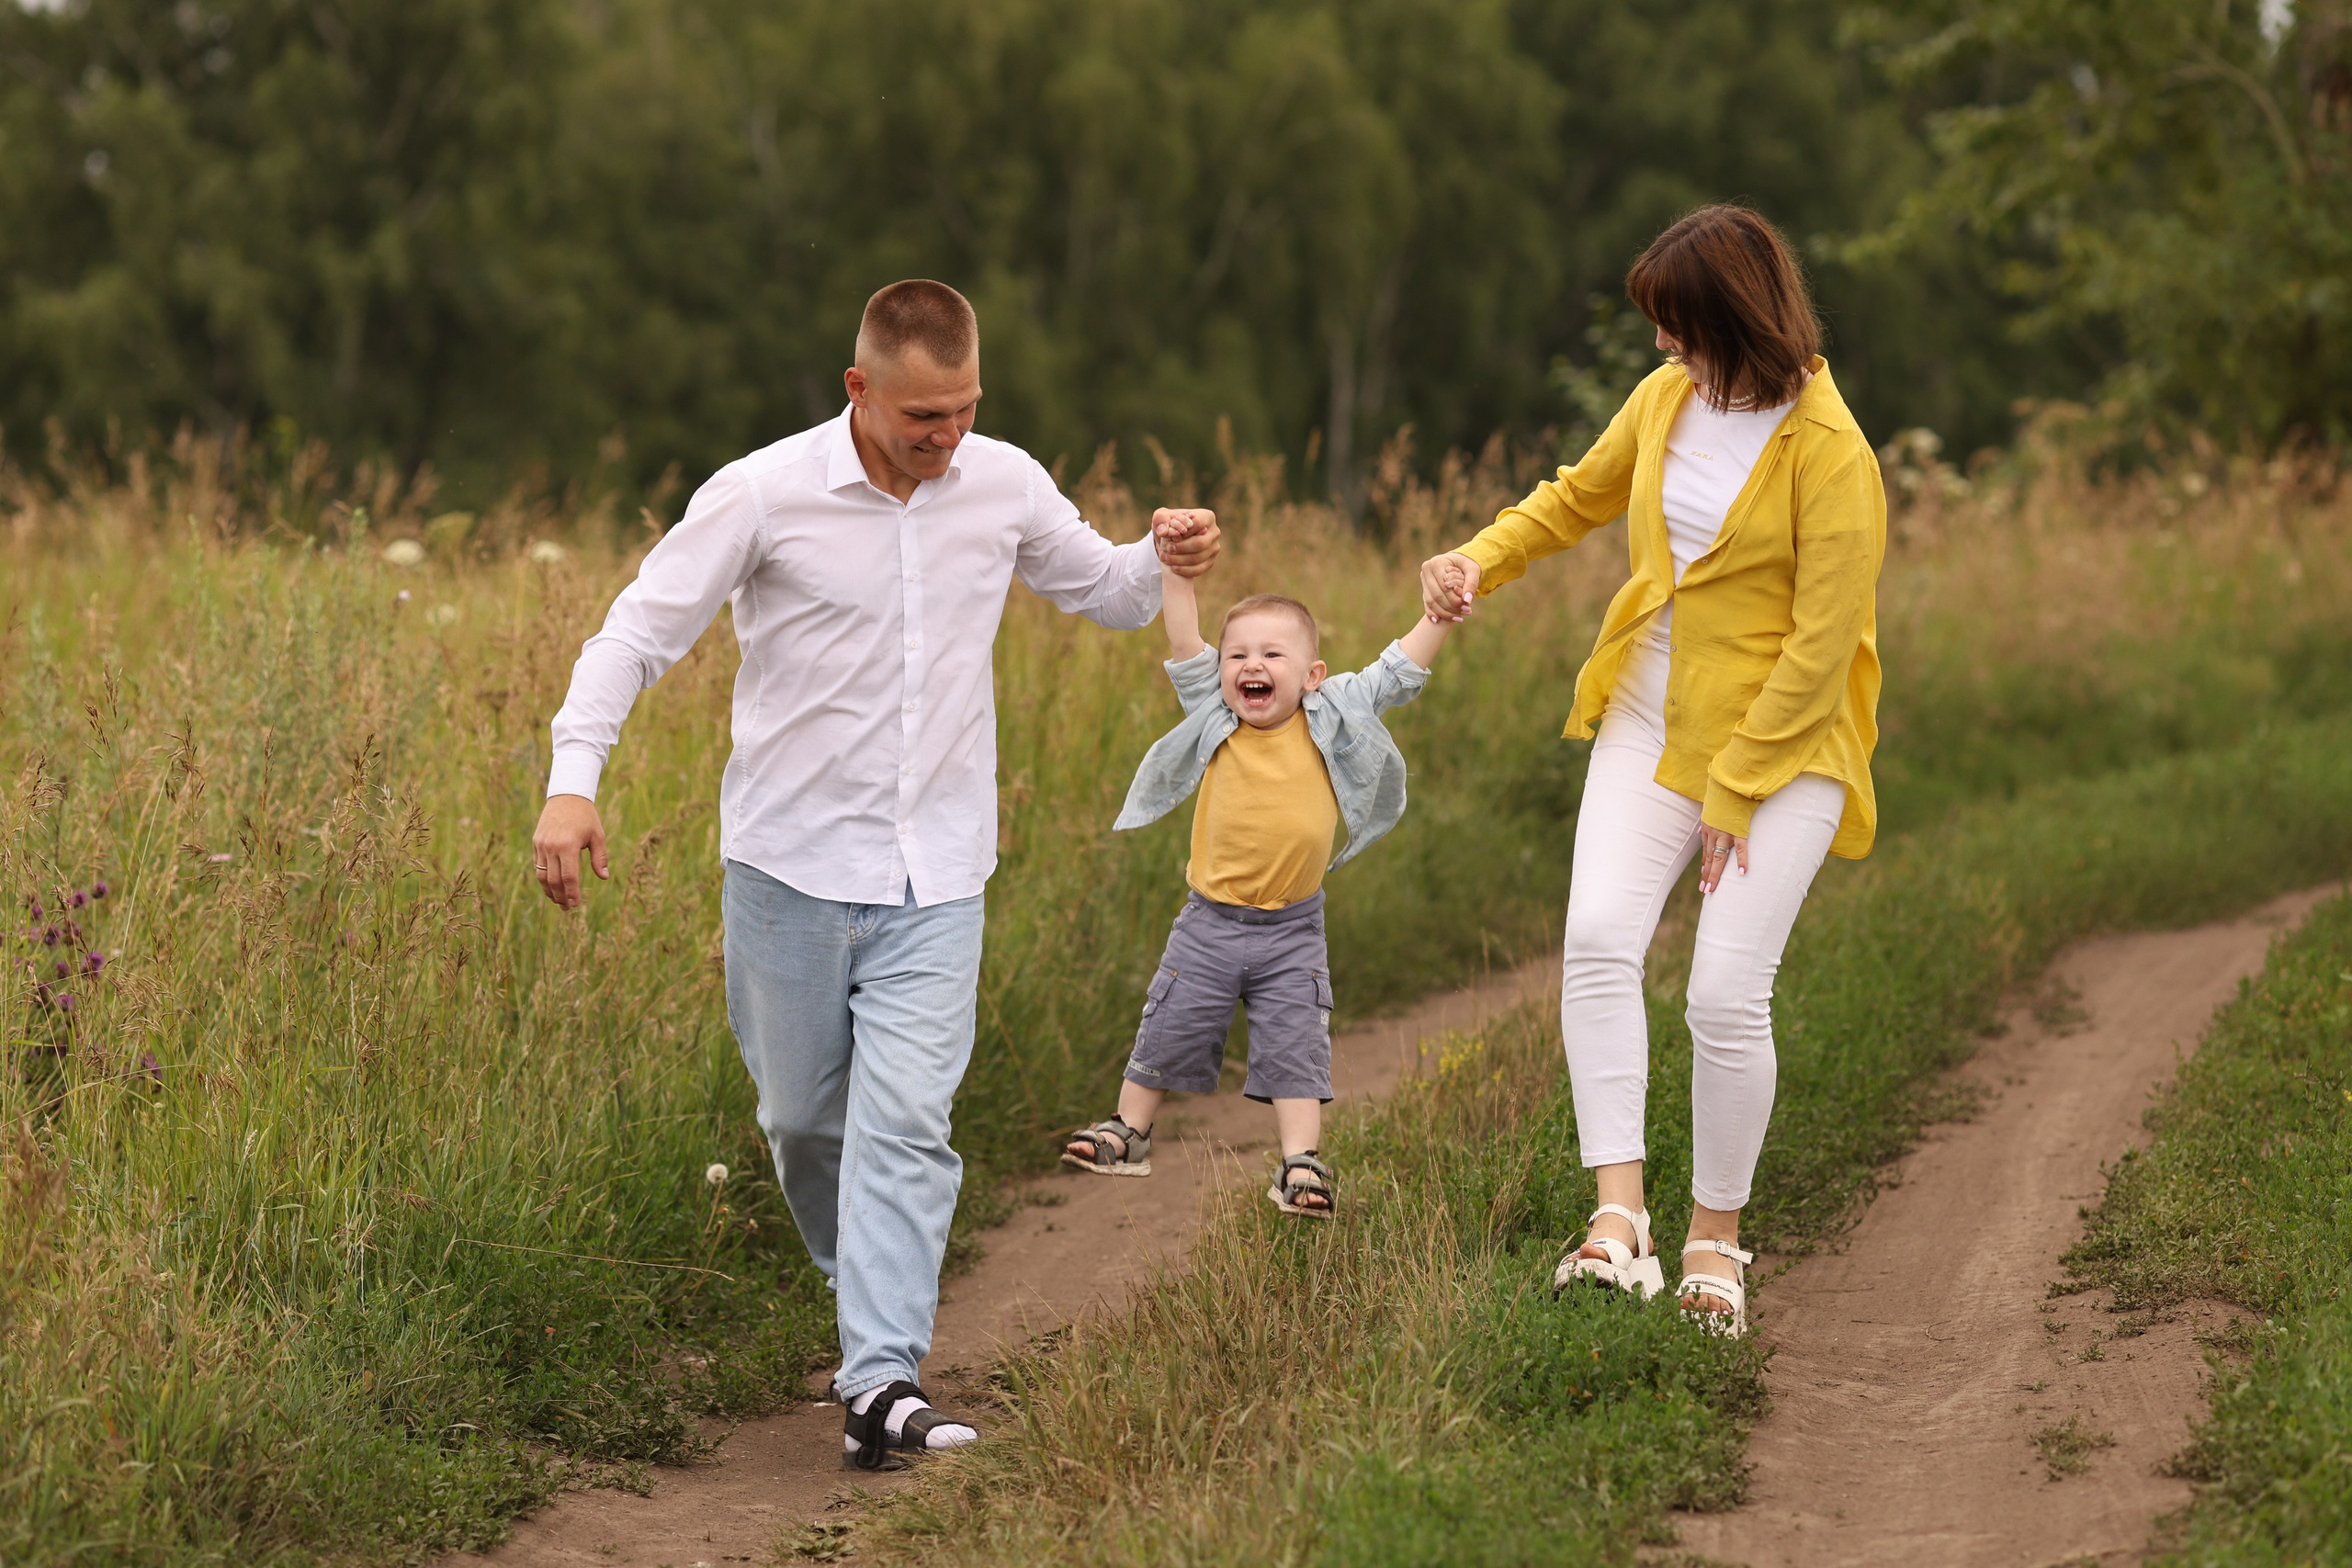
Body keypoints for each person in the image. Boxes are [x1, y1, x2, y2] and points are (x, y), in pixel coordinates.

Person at [530, 279, 1222, 1468]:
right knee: (802, 1119)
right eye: (921, 418)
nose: (945, 436)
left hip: (939, 874)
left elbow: (1100, 590)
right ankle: (871, 1304)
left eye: (961, 410)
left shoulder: (999, 480)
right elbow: (634, 634)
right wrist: (572, 776)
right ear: (859, 390)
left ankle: (881, 1376)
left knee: (905, 1122)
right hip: (789, 867)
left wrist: (1165, 554)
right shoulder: (762, 493)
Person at [1419, 205, 1884, 1337]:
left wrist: (1734, 793)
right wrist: (1476, 559)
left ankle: (1714, 1243)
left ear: (1738, 319)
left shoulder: (1832, 456)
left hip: (1785, 749)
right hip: (1648, 716)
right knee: (1595, 943)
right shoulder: (1666, 400)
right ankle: (1615, 1222)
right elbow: (1576, 494)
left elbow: (1822, 649)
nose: (1663, 347)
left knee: (1725, 993)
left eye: (1680, 326)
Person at [1057, 517, 1453, 1218]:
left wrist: (1437, 616)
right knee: (1169, 1022)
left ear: (1312, 674)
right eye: (1237, 654)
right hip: (1208, 921)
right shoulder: (1217, 711)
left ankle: (1300, 1162)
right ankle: (1131, 1129)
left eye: (1272, 653)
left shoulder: (1331, 714)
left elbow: (1396, 672)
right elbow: (1184, 637)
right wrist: (1175, 566)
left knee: (1297, 1040)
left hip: (1293, 930)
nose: (1250, 666)